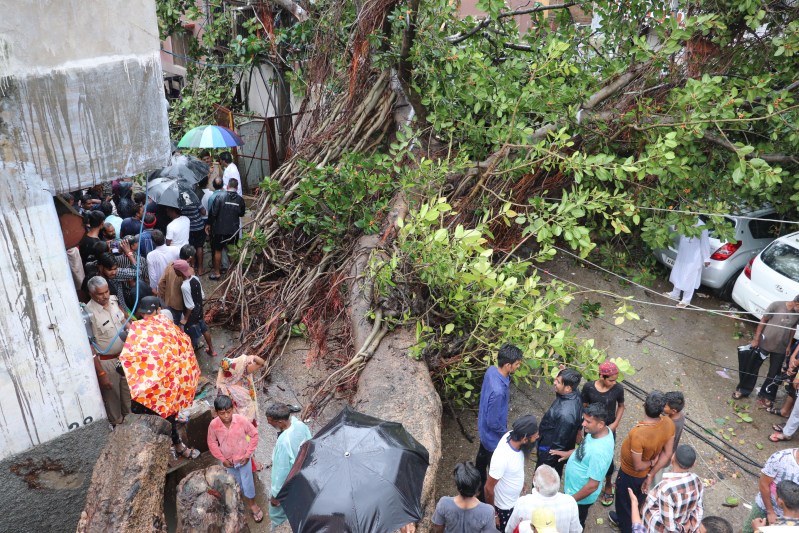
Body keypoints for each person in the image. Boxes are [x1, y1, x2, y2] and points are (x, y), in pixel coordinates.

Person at [610, 391, 675, 533]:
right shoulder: (668, 423)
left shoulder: (638, 433)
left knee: (625, 504)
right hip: (645, 475)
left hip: (630, 475)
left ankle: (626, 526)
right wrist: (651, 474)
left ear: (644, 405)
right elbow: (667, 453)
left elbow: (638, 466)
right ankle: (626, 520)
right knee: (638, 500)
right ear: (662, 409)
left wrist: (651, 464)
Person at [475, 344, 523, 500]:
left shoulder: (491, 371)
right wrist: (507, 434)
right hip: (492, 438)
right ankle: (484, 497)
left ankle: (476, 484)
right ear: (508, 365)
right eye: (517, 364)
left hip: (484, 432)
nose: (518, 366)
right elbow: (493, 422)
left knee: (481, 461)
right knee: (493, 470)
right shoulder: (498, 392)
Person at [555, 403, 615, 527]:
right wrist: (569, 453)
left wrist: (571, 501)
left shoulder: (599, 452)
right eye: (584, 420)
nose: (583, 424)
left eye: (588, 422)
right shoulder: (600, 432)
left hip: (580, 498)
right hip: (574, 490)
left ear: (601, 424)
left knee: (575, 524)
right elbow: (584, 448)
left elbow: (593, 485)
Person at [207, 394, 264, 523]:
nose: (226, 416)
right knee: (234, 482)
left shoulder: (241, 420)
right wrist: (222, 458)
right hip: (229, 462)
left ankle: (252, 504)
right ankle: (237, 502)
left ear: (233, 409)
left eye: (228, 412)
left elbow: (254, 435)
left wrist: (248, 454)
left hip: (244, 459)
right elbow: (212, 443)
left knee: (247, 482)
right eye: (222, 413)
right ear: (216, 413)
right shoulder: (213, 425)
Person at [734, 295, 799, 405]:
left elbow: (792, 329)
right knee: (752, 368)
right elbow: (763, 320)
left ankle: (767, 395)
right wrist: (756, 338)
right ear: (797, 303)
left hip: (780, 348)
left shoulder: (797, 314)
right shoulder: (777, 305)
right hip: (765, 342)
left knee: (774, 373)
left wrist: (788, 346)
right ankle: (743, 390)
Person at [86, 276, 131, 427]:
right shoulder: (88, 313)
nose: (105, 296)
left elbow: (123, 318)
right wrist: (101, 374)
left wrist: (130, 327)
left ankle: (131, 423)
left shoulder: (113, 300)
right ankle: (118, 428)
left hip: (124, 358)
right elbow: (89, 346)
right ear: (92, 294)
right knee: (113, 398)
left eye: (106, 291)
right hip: (107, 362)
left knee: (128, 395)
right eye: (100, 294)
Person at [581, 360, 625, 507]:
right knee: (588, 453)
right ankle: (588, 481)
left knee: (607, 457)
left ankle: (607, 484)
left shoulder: (618, 389)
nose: (614, 382)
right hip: (591, 428)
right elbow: (584, 407)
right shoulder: (588, 388)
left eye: (615, 380)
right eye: (611, 380)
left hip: (609, 429)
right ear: (601, 376)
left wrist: (615, 424)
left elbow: (621, 406)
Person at [485, 415, 539, 532]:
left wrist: (521, 481)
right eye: (535, 437)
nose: (537, 437)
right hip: (503, 508)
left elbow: (516, 465)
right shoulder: (502, 457)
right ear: (525, 439)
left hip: (513, 502)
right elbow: (488, 488)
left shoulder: (512, 435)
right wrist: (494, 514)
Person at [266, 402, 312, 528]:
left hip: (291, 482)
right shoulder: (300, 425)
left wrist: (276, 497)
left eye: (270, 421)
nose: (268, 423)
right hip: (303, 474)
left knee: (277, 512)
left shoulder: (283, 443)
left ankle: (280, 526)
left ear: (280, 422)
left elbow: (281, 473)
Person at [642, 444, 704, 531]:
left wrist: (681, 529)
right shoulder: (697, 481)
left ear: (672, 458)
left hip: (657, 528)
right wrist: (690, 527)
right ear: (693, 464)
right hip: (682, 522)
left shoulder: (666, 489)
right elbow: (699, 510)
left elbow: (669, 526)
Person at [505, 465, 582, 533]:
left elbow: (510, 529)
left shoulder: (523, 502)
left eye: (534, 476)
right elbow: (576, 530)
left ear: (538, 488)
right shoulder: (570, 502)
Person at [536, 368, 583, 477]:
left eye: (558, 382)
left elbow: (557, 446)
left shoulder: (565, 415)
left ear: (567, 388)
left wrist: (545, 463)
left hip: (549, 450)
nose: (554, 383)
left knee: (544, 481)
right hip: (551, 440)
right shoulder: (575, 393)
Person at [743, 447, 799, 533]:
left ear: (780, 501)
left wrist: (757, 530)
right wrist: (770, 511)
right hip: (765, 508)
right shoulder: (780, 458)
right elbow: (764, 484)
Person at [432, 462, 496, 533]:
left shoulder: (443, 503)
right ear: (478, 486)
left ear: (457, 485)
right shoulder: (488, 511)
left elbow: (438, 529)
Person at [662, 219, 711, 308]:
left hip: (694, 257)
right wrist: (678, 222)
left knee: (689, 278)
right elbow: (676, 229)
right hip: (683, 253)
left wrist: (706, 259)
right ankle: (675, 294)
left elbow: (705, 243)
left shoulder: (702, 225)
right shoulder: (684, 220)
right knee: (678, 273)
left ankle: (686, 300)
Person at [174, 259, 216, 356]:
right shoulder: (195, 278)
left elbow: (190, 306)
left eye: (175, 270)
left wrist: (185, 319)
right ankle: (212, 350)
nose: (174, 271)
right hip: (199, 310)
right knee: (204, 329)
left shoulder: (184, 286)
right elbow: (202, 296)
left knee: (190, 334)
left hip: (192, 315)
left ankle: (192, 352)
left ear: (180, 271)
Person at [206, 177, 245, 280]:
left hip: (220, 229)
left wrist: (208, 224)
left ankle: (217, 274)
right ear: (236, 188)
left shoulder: (219, 197)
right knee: (232, 251)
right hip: (233, 230)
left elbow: (213, 213)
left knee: (218, 251)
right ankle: (232, 274)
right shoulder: (240, 200)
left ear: (227, 186)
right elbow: (241, 213)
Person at [216, 354, 266, 425]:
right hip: (238, 421)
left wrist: (253, 357)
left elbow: (261, 363)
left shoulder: (241, 373)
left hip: (248, 415)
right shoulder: (223, 389)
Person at [158, 245, 195, 323]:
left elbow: (161, 282)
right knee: (179, 323)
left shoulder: (171, 265)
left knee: (172, 322)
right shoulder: (190, 271)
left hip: (169, 301)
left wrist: (164, 297)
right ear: (190, 258)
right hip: (181, 304)